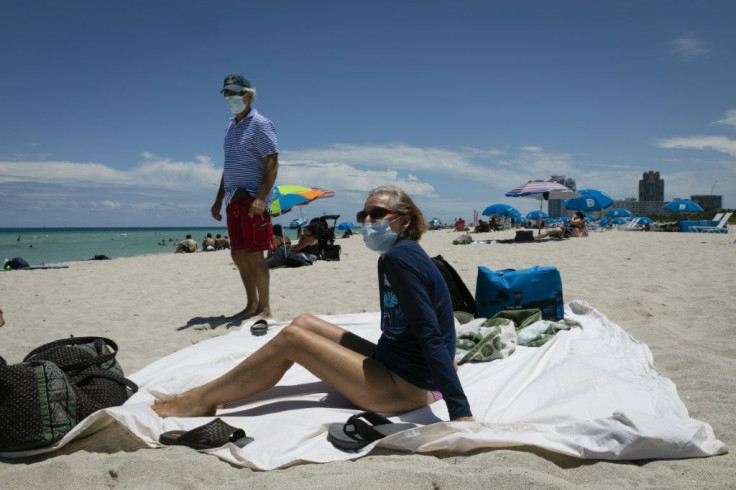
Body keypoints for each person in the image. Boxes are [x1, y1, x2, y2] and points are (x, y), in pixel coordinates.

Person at [153, 186, 474, 423]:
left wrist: (459, 410)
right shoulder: (395, 255)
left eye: (378, 214)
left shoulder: (399, 260)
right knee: (304, 323)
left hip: (406, 387)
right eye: (364, 214)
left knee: (293, 340)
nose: (368, 221)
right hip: (395, 363)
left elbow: (429, 331)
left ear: (404, 221)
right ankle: (210, 392)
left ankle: (201, 400)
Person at [210, 74, 279, 322]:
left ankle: (265, 307)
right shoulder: (230, 126)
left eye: (235, 93)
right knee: (237, 254)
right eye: (226, 94)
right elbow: (228, 166)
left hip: (252, 200)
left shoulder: (260, 124)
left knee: (254, 255)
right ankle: (251, 305)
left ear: (248, 95)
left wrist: (261, 198)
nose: (230, 98)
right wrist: (219, 200)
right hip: (233, 201)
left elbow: (272, 162)